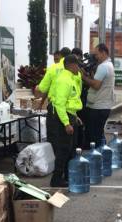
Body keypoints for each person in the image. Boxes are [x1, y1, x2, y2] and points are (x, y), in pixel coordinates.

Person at [49, 54, 82, 188]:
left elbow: (71, 101)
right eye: (77, 65)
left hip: (69, 115)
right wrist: (66, 123)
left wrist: (75, 117)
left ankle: (66, 176)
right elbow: (60, 104)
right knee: (64, 149)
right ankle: (56, 179)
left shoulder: (70, 78)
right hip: (63, 117)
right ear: (71, 65)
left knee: (69, 148)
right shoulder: (64, 80)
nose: (79, 68)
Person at [82, 43, 115, 147]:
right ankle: (99, 152)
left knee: (94, 136)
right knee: (98, 134)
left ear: (103, 53)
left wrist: (83, 77)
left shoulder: (103, 67)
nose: (95, 57)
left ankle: (96, 154)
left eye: (96, 54)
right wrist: (89, 76)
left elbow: (96, 85)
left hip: (98, 107)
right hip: (104, 105)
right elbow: (97, 81)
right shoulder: (109, 65)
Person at [35, 47, 71, 140]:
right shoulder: (74, 68)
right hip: (69, 107)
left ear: (61, 56)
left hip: (55, 106)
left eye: (57, 59)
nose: (56, 61)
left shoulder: (53, 68)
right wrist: (42, 102)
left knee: (53, 134)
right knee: (67, 136)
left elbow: (43, 88)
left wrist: (37, 89)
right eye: (54, 59)